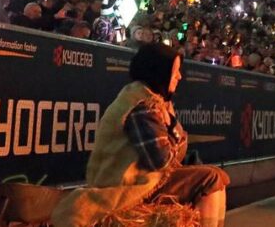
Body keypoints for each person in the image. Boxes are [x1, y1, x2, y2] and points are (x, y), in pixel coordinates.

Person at [52, 44, 229, 227]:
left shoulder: (146, 97)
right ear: (159, 72)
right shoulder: (143, 105)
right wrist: (175, 130)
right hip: (127, 187)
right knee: (211, 179)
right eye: (175, 71)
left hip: (142, 180)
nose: (179, 76)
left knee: (218, 176)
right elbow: (161, 160)